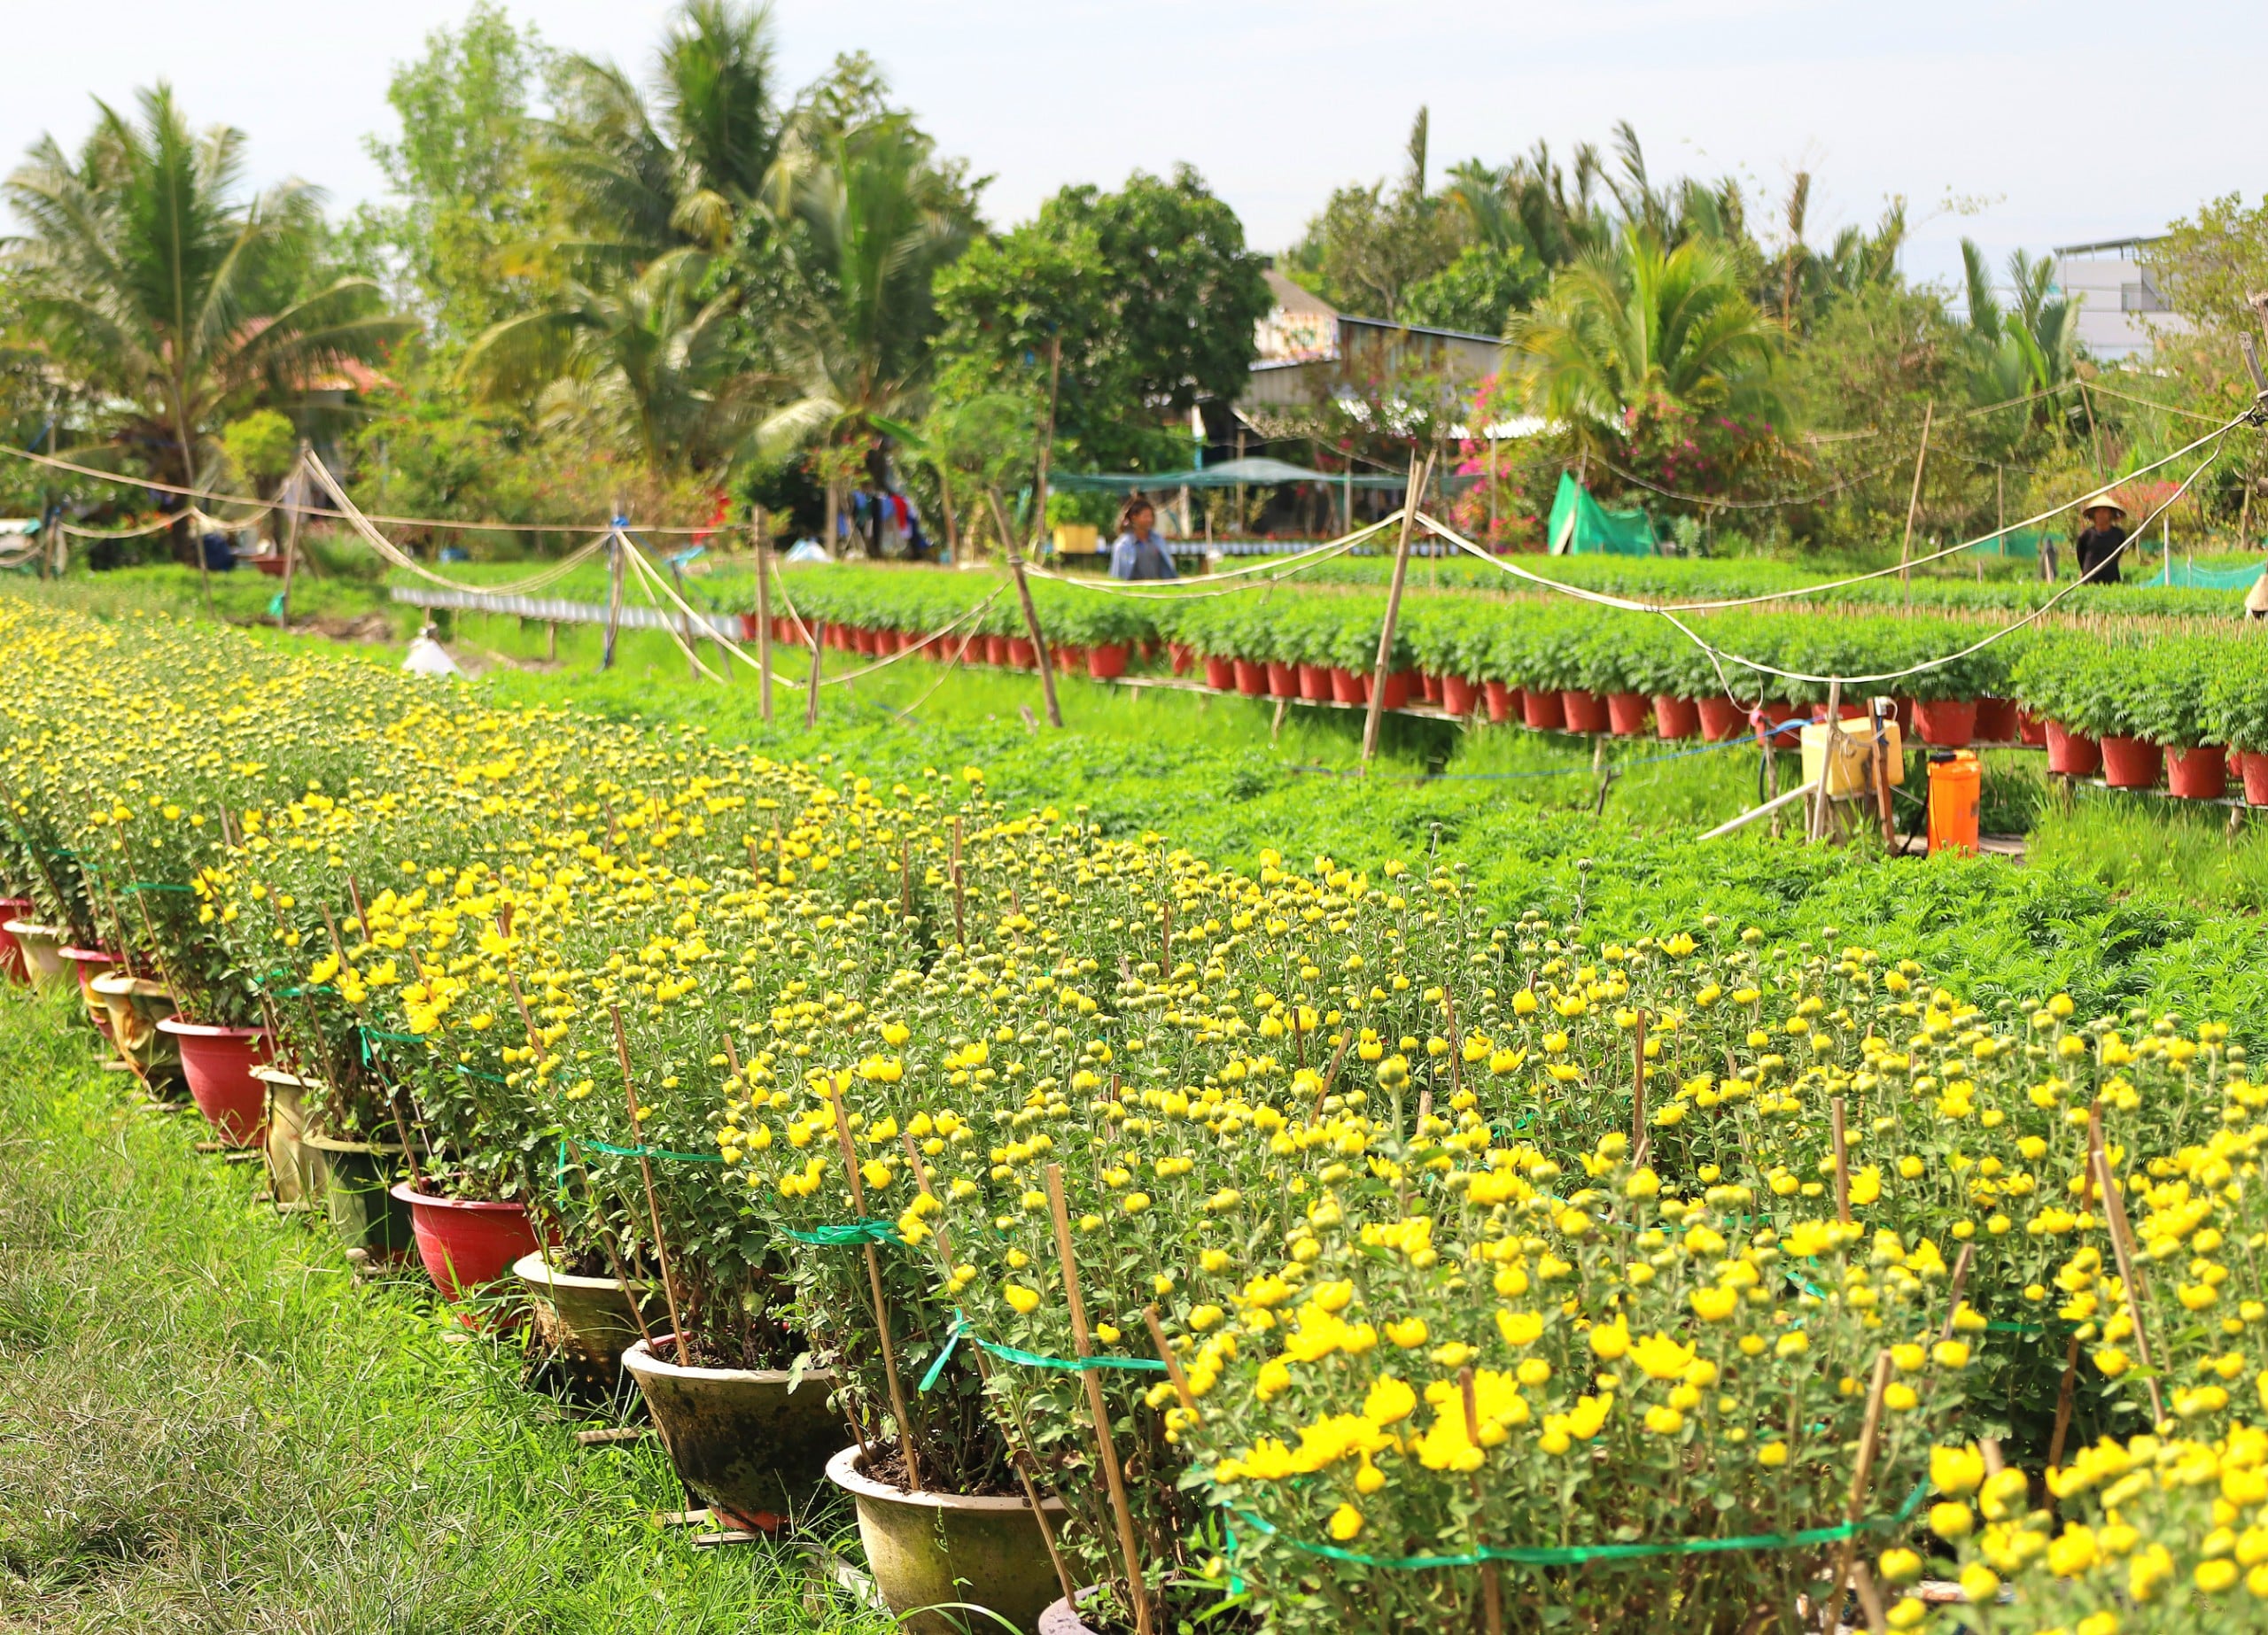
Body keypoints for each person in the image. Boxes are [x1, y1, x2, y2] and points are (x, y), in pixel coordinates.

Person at [1107, 494, 1177, 582]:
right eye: (1145, 516)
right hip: (1132, 590)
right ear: (1134, 517)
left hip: (1154, 588)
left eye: (1151, 516)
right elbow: (1118, 575)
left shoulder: (1157, 540)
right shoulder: (1123, 545)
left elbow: (1167, 569)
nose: (1149, 520)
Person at [2073, 494, 2128, 585]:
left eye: (2105, 511)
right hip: (2090, 579)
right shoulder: (2086, 535)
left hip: (2111, 579)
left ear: (2111, 514)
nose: (2101, 515)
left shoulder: (2118, 534)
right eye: (2098, 511)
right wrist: (2083, 570)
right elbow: (2080, 554)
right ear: (2093, 514)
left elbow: (2119, 552)